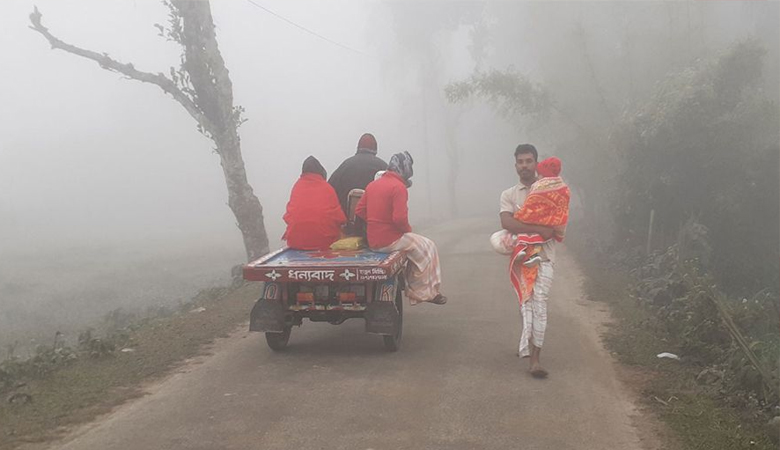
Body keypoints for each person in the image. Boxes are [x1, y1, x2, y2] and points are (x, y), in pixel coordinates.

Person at [490, 144, 558, 379]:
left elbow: (553, 227)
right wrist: (537, 228)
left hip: (545, 257)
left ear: (536, 164)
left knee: (540, 304)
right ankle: (529, 344)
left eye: (529, 161)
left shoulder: (549, 190)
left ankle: (535, 360)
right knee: (526, 304)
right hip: (521, 258)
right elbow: (506, 223)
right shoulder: (508, 194)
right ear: (515, 165)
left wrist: (524, 225)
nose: (525, 166)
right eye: (520, 162)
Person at [354, 152, 447, 305]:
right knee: (429, 247)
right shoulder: (398, 187)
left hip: (374, 240)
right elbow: (399, 219)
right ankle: (424, 293)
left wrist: (375, 221)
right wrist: (407, 230)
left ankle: (419, 289)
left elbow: (359, 210)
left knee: (417, 247)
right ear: (405, 170)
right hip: (391, 239)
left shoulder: (372, 186)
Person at [282, 156, 346, 251]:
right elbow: (340, 218)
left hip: (296, 243)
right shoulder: (327, 188)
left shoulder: (297, 187)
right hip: (325, 243)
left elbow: (289, 216)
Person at [328, 133, 389, 214]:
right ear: (375, 149)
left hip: (346, 217)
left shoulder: (345, 165)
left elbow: (329, 189)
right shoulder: (384, 168)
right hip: (374, 218)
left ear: (358, 148)